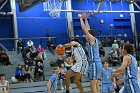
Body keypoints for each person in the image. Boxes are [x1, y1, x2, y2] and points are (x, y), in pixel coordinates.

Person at [79, 13, 103, 93]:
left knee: (93, 86)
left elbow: (85, 29)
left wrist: (81, 19)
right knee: (96, 85)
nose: (85, 35)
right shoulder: (94, 39)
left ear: (90, 35)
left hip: (94, 64)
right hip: (97, 63)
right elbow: (88, 28)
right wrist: (86, 19)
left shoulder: (92, 39)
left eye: (87, 34)